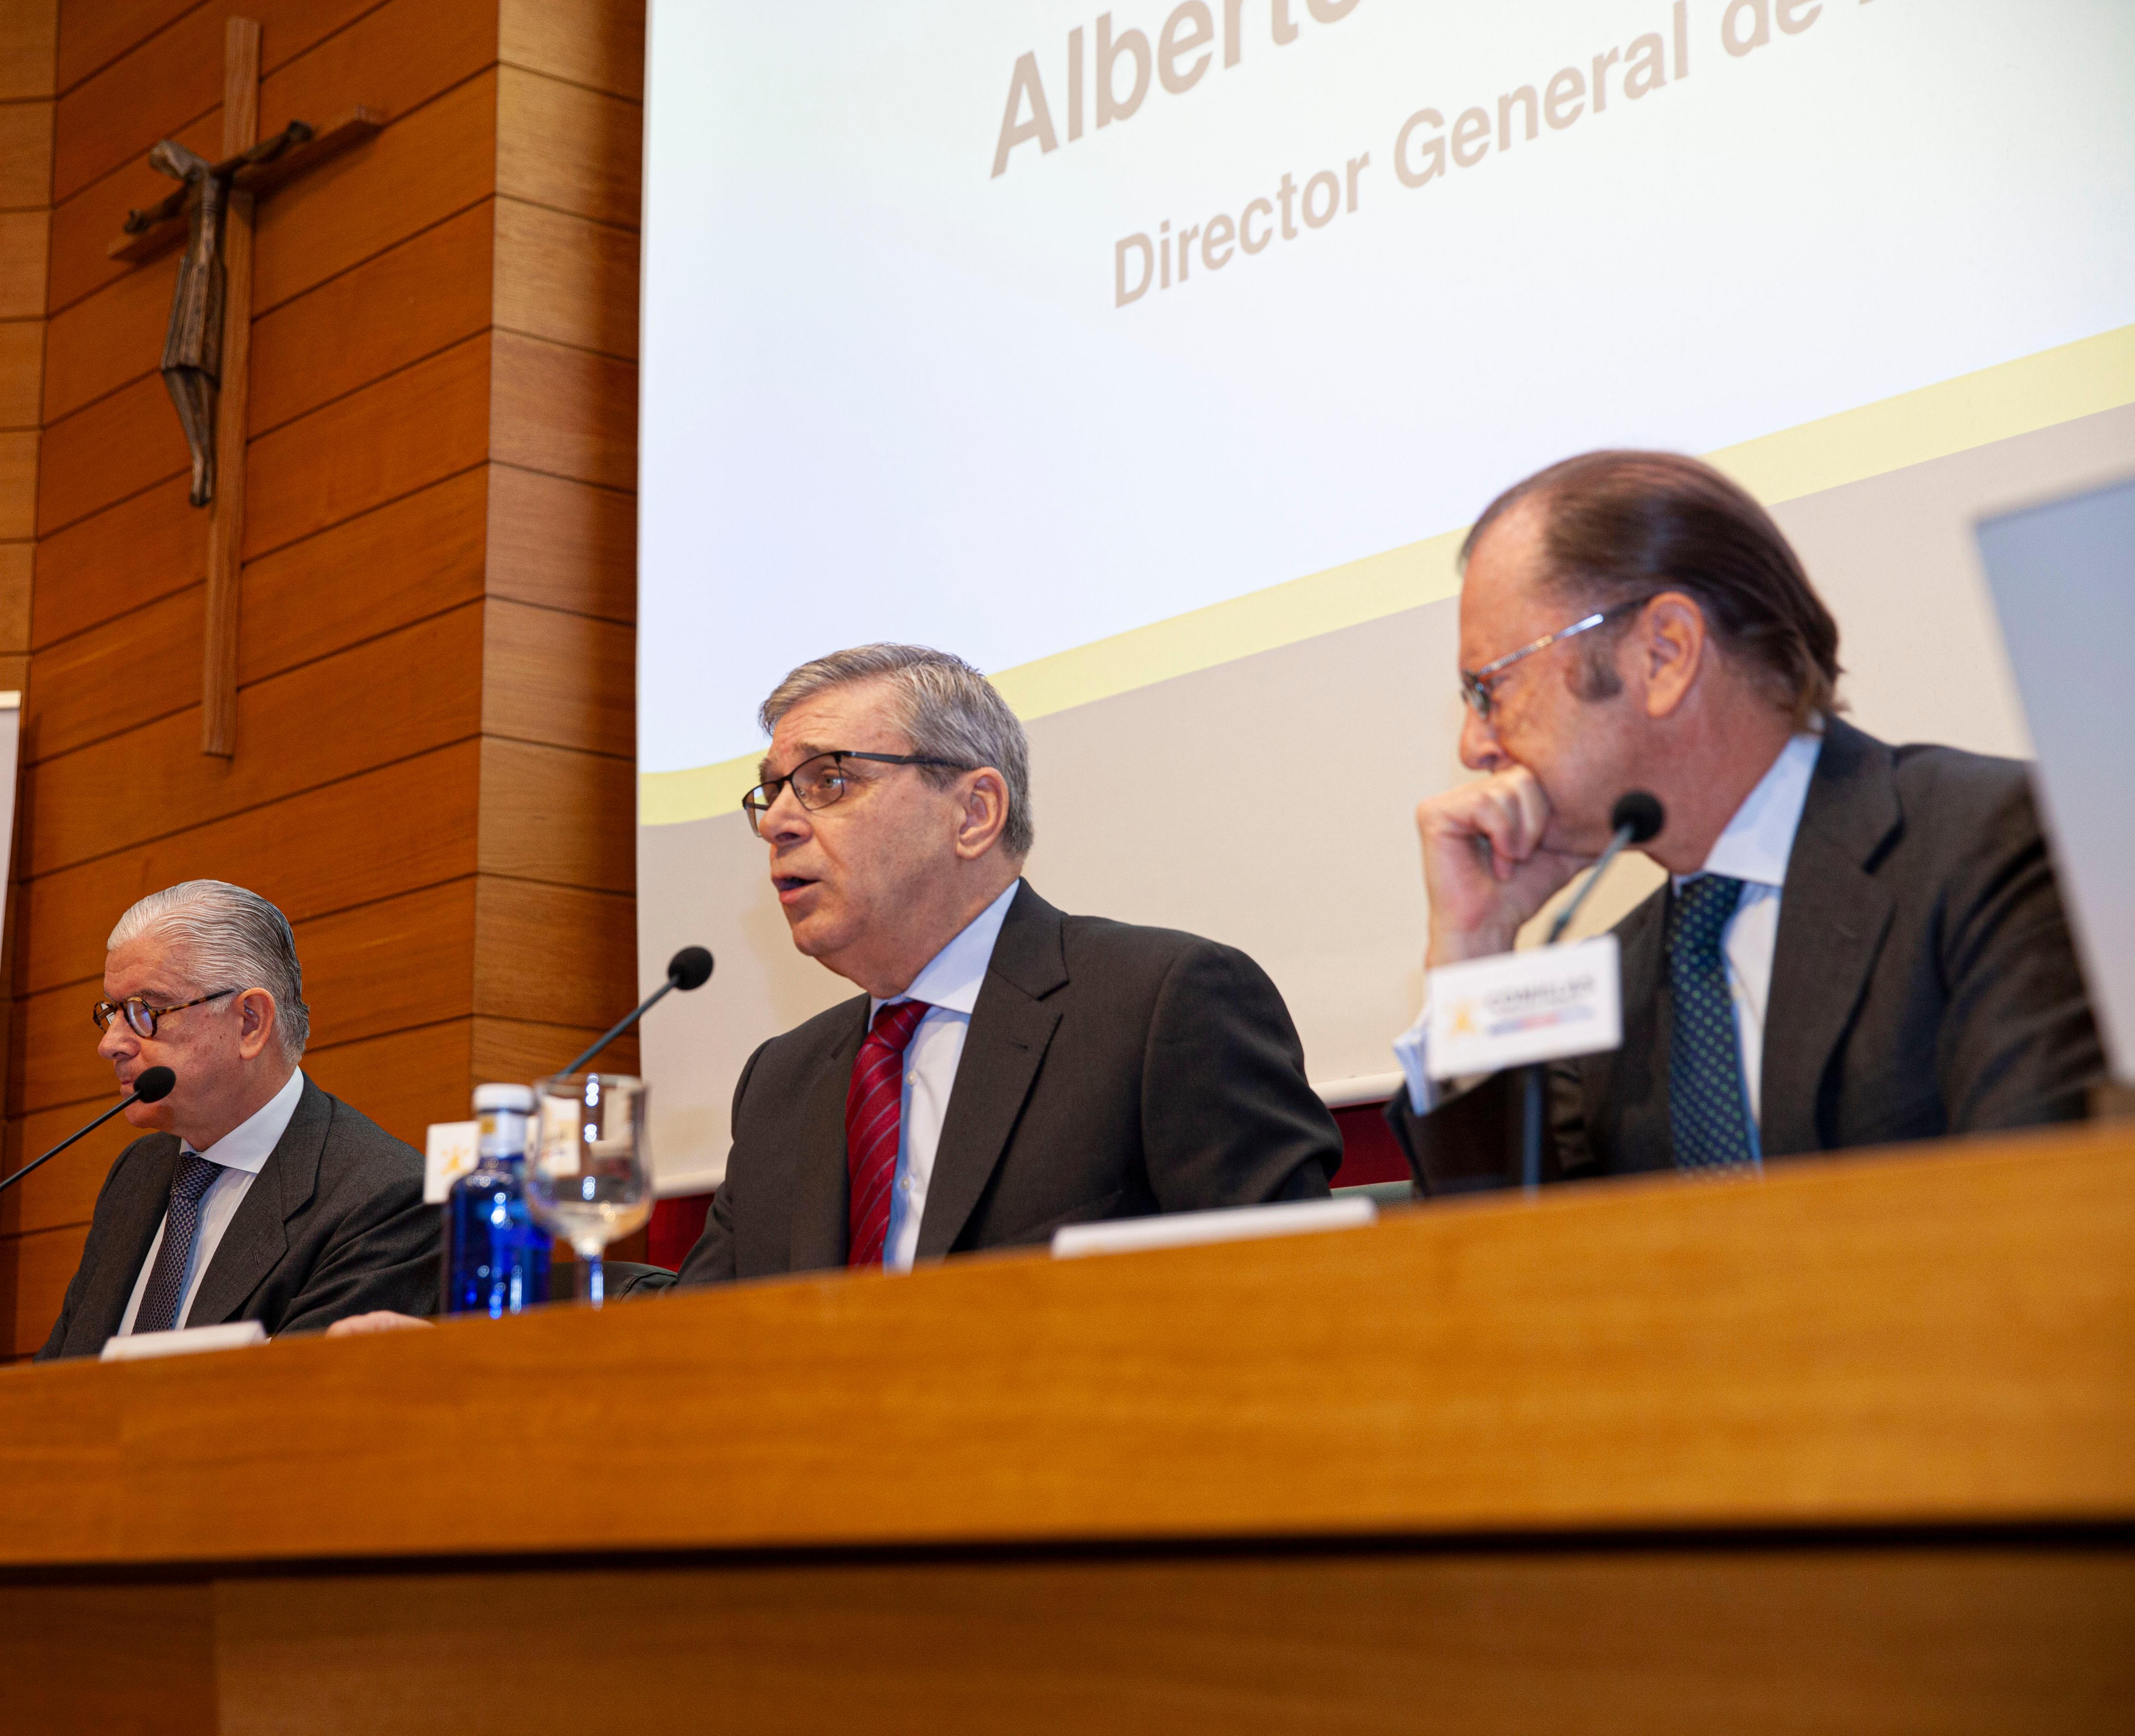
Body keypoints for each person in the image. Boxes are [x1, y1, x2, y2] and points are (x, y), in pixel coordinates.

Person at [1387, 450, 2105, 1188]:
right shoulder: (1605, 983)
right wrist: (1473, 951)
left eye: (1490, 688)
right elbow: (1500, 1278)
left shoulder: (1999, 844)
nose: (1473, 747)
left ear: (1665, 655)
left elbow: (2042, 1220)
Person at [677, 644, 1342, 1283]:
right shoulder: (779, 1083)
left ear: (974, 813)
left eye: (830, 780)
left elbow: (1292, 1301)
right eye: (772, 793)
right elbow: (692, 1352)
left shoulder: (1163, 1005)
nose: (778, 822)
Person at [0, 881, 440, 1372]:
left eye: (146, 1011)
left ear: (249, 1023)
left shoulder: (383, 1198)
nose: (110, 1044)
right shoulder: (139, 1174)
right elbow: (71, 1386)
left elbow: (300, 1416)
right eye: (112, 1011)